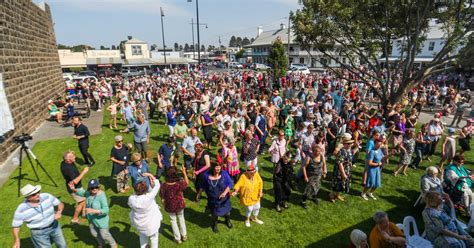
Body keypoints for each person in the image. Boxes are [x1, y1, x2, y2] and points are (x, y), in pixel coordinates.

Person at [69, 179, 117, 248]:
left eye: (96, 187)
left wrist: (94, 211)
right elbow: (82, 192)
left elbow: (106, 210)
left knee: (105, 235)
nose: (94, 189)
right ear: (89, 188)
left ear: (98, 187)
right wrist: (74, 189)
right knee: (94, 234)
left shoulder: (101, 196)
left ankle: (113, 244)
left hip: (101, 221)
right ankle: (102, 244)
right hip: (91, 219)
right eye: (92, 188)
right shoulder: (88, 193)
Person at [128, 173, 162, 248]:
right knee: (154, 238)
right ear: (146, 190)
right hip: (152, 224)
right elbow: (157, 185)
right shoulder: (149, 197)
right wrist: (150, 175)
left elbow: (131, 200)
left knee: (143, 237)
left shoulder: (131, 199)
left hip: (140, 224)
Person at [201, 162, 233, 233]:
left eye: (219, 166)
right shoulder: (206, 176)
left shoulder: (224, 173)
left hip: (224, 199)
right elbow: (203, 185)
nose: (218, 168)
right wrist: (199, 193)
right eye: (216, 167)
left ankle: (227, 221)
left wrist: (225, 193)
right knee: (214, 214)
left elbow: (230, 183)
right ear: (212, 168)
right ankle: (214, 224)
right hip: (213, 200)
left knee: (227, 213)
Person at [160, 166, 189, 244]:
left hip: (170, 205)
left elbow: (162, 198)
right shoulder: (179, 184)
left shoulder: (163, 185)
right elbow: (187, 183)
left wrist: (164, 205)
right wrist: (184, 172)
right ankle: (184, 235)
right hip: (179, 204)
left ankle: (177, 239)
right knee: (181, 218)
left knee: (173, 220)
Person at [60, 150, 89, 224]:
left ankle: (84, 214)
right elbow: (75, 181)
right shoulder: (68, 169)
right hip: (75, 188)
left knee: (84, 198)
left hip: (77, 186)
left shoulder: (64, 163)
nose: (75, 157)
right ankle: (74, 219)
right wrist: (84, 172)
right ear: (67, 159)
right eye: (73, 156)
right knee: (81, 202)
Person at [331, 136, 354, 202]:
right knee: (337, 183)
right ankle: (332, 195)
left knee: (342, 184)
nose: (350, 145)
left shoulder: (349, 151)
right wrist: (343, 173)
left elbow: (349, 159)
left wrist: (350, 165)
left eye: (350, 143)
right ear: (344, 144)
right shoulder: (341, 152)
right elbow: (340, 163)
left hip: (347, 169)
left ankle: (337, 195)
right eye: (348, 143)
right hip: (340, 171)